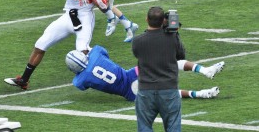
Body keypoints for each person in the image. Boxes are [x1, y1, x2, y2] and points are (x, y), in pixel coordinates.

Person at [4, 0, 115, 90]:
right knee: (41, 44)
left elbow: (103, 1)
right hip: (69, 14)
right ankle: (24, 80)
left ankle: (109, 75)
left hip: (85, 15)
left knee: (82, 52)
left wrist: (100, 1)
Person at [65, 45, 224, 101]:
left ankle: (200, 94)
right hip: (132, 74)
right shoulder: (95, 55)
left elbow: (81, 83)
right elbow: (100, 51)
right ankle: (205, 70)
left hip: (130, 94)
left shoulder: (79, 81)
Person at [132, 6, 185, 132]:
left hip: (146, 90)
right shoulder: (172, 38)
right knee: (173, 126)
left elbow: (138, 53)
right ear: (163, 21)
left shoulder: (137, 41)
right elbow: (181, 56)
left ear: (146, 19)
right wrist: (175, 32)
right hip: (169, 90)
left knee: (144, 127)